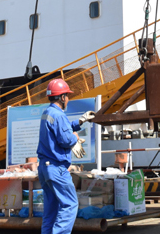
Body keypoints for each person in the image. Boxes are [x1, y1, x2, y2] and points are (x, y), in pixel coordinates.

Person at [36, 79, 95, 234]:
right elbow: (66, 139)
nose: (68, 99)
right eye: (67, 96)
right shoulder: (59, 115)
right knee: (70, 204)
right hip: (57, 169)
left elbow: (61, 129)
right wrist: (75, 137)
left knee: (51, 210)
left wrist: (80, 121)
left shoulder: (47, 113)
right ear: (62, 97)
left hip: (44, 168)